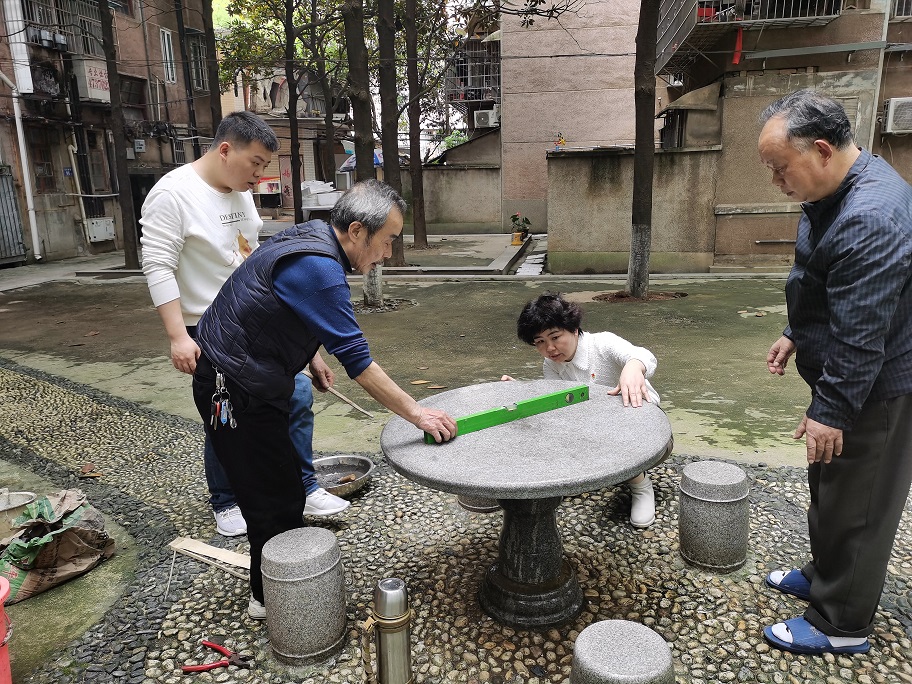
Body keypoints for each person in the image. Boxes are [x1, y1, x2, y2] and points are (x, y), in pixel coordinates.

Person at [191, 179, 457, 619]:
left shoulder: (307, 236)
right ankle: (273, 601)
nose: (387, 253)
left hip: (253, 377)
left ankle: (282, 585)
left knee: (281, 489)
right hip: (233, 388)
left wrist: (311, 357)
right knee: (271, 501)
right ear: (357, 231)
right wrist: (417, 413)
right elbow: (359, 361)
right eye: (387, 241)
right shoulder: (320, 268)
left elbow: (280, 305)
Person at [140, 111, 349, 540]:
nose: (259, 175)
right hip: (206, 328)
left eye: (264, 166)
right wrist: (178, 336)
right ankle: (226, 499)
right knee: (226, 414)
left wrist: (308, 351)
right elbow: (157, 266)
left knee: (297, 395)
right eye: (255, 163)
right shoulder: (173, 194)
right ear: (224, 150)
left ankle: (301, 483)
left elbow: (256, 259)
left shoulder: (240, 192)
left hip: (254, 320)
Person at [759, 89, 912, 655]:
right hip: (850, 375)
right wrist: (797, 332)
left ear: (821, 149)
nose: (776, 181)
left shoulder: (870, 216)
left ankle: (840, 623)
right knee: (829, 486)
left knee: (860, 505)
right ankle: (825, 575)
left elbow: (862, 333)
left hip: (878, 388)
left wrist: (830, 412)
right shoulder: (837, 188)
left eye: (779, 168)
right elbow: (831, 288)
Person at [503, 292, 659, 528]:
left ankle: (640, 484)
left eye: (555, 337)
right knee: (555, 428)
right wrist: (522, 393)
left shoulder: (603, 343)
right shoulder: (551, 364)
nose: (550, 348)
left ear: (574, 329)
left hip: (641, 422)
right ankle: (583, 474)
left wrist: (633, 367)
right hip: (597, 424)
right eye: (540, 342)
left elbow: (643, 355)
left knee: (604, 434)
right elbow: (557, 404)